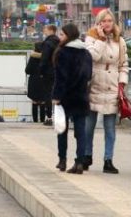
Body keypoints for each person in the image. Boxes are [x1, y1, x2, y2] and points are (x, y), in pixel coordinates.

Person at [83, 8, 129, 174]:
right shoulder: (91, 37)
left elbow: (124, 64)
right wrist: (101, 40)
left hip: (112, 85)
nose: (107, 24)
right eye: (104, 21)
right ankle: (86, 155)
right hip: (95, 83)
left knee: (110, 127)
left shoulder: (120, 40)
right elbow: (91, 57)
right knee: (89, 125)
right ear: (99, 23)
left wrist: (122, 83)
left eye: (110, 21)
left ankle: (108, 159)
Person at [51, 23, 92, 174]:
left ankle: (62, 160)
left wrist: (56, 96)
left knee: (62, 129)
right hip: (81, 96)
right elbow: (88, 76)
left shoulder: (62, 52)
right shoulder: (86, 53)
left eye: (62, 34)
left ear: (69, 35)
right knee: (81, 131)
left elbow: (61, 78)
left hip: (65, 97)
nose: (60, 37)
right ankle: (80, 162)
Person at [38, 24, 61, 126]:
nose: (44, 31)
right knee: (58, 93)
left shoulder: (48, 43)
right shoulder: (60, 42)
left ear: (51, 30)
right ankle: (59, 116)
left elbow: (44, 59)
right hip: (58, 70)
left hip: (48, 71)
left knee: (48, 94)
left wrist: (41, 71)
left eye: (45, 29)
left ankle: (49, 117)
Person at [25, 43, 47, 123]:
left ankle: (35, 121)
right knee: (43, 101)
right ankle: (42, 120)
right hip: (44, 81)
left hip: (34, 82)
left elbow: (27, 70)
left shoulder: (32, 57)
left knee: (34, 101)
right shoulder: (46, 57)